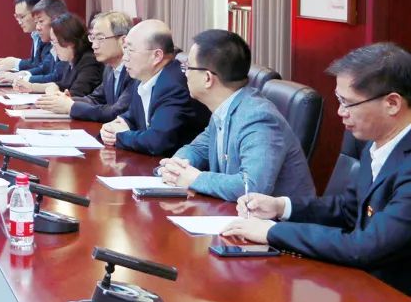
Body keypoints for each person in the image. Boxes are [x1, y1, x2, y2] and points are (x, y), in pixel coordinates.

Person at [223, 43, 411, 295]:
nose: (340, 112)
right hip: (366, 289)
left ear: (392, 103)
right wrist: (281, 207)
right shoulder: (377, 142)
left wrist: (273, 232)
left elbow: (367, 246)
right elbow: (347, 209)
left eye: (348, 103)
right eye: (339, 100)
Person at [157, 29, 315, 201]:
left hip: (278, 218)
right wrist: (176, 165)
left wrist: (195, 179)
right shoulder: (224, 108)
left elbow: (251, 186)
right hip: (235, 212)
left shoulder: (259, 118)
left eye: (188, 67)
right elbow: (197, 149)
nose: (185, 73)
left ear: (208, 78)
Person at [99, 19, 208, 156]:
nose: (125, 58)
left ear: (157, 56)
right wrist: (112, 128)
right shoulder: (143, 78)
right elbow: (131, 117)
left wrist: (119, 136)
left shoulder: (174, 85)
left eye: (130, 50)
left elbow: (157, 141)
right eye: (124, 49)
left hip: (176, 163)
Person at [38, 11, 135, 122]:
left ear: (123, 41)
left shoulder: (134, 71)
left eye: (100, 38)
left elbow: (117, 112)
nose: (94, 45)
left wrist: (71, 106)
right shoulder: (109, 68)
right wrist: (66, 100)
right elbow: (95, 99)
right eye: (93, 38)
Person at [14, 13, 102, 96]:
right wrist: (31, 87)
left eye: (54, 42)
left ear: (69, 41)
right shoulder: (72, 59)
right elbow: (63, 85)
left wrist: (55, 93)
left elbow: (75, 95)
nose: (53, 48)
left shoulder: (89, 62)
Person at [0, 0, 69, 86]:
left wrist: (21, 77)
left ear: (55, 20)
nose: (37, 27)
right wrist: (21, 75)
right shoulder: (49, 39)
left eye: (41, 21)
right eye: (36, 22)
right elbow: (45, 67)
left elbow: (57, 77)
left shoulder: (67, 43)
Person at [0, 0, 49, 71]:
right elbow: (34, 62)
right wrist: (9, 63)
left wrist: (15, 63)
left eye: (22, 17)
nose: (19, 22)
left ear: (36, 13)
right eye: (16, 17)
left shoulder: (48, 34)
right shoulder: (35, 34)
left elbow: (43, 67)